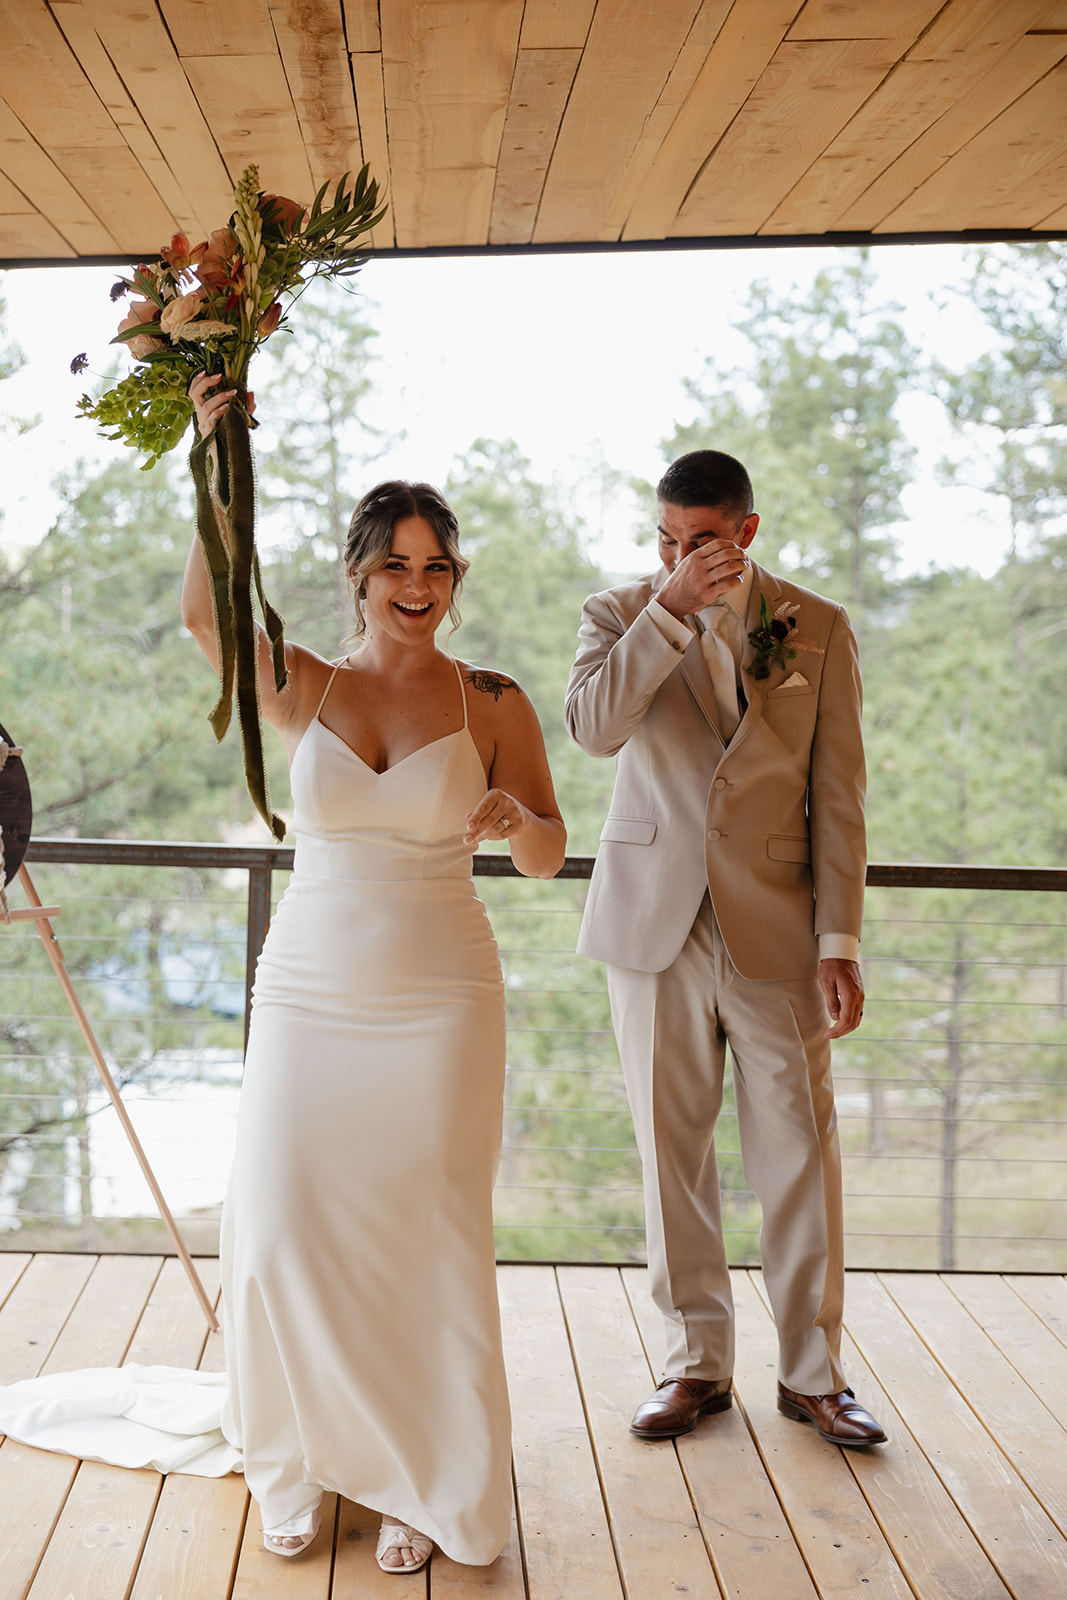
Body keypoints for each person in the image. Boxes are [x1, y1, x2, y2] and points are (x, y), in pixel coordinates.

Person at [181, 373, 567, 1567]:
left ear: (456, 581)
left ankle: (419, 1477)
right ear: (358, 573)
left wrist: (513, 815)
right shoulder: (310, 683)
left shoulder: (491, 697)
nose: (417, 588)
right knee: (284, 1220)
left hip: (442, 991)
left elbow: (551, 854)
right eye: (396, 566)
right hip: (308, 982)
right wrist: (213, 459)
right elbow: (205, 620)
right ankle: (291, 1457)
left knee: (426, 1228)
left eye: (437, 568)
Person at [564, 449, 885, 1449]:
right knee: (671, 1153)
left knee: (798, 1149)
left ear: (743, 531)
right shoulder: (617, 614)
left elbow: (836, 797)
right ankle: (693, 1364)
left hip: (776, 928)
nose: (677, 554)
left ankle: (812, 1375)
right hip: (650, 919)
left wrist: (838, 939)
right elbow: (589, 729)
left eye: (696, 539)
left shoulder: (815, 628)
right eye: (663, 537)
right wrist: (665, 607)